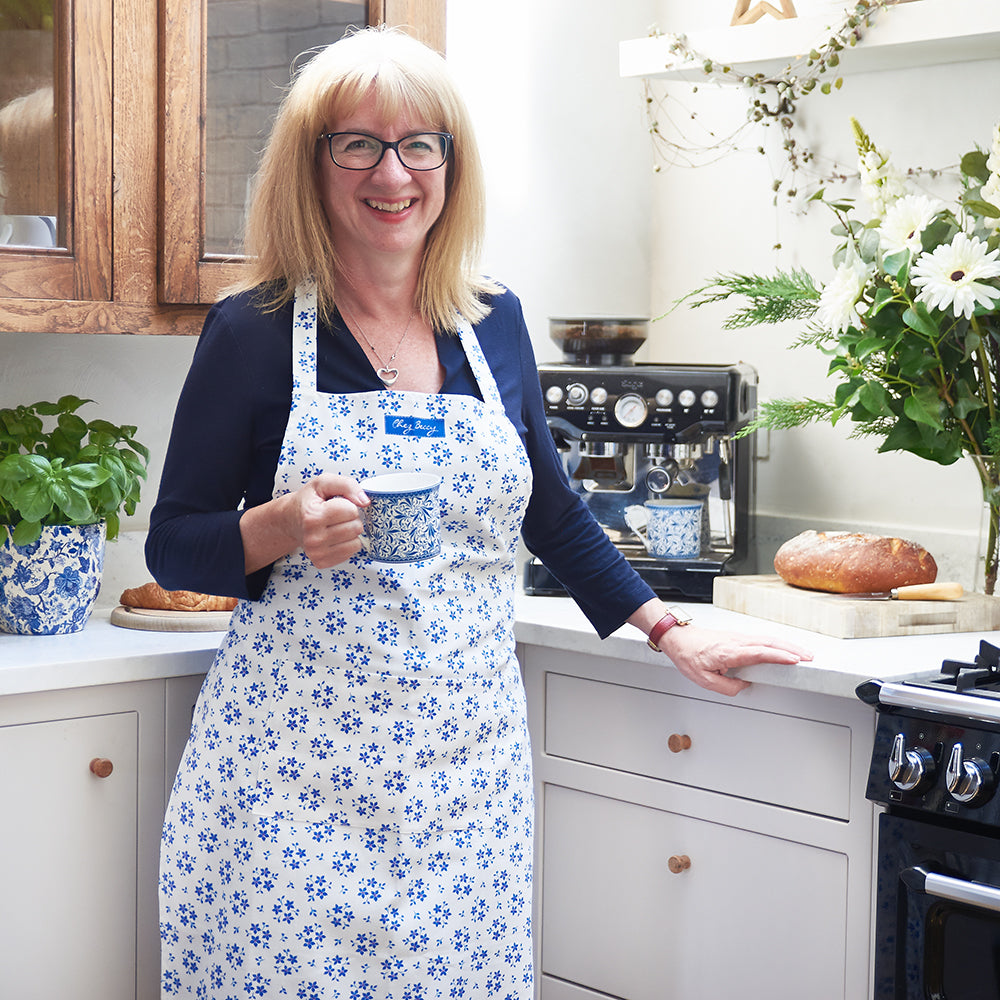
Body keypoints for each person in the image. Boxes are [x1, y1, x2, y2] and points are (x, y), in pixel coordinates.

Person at [147, 26, 812, 999]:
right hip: (291, 780)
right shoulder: (251, 331)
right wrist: (279, 526)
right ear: (312, 162)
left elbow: (549, 505)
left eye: (422, 144)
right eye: (359, 144)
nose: (394, 171)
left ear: (450, 165)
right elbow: (176, 541)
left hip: (466, 782)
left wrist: (669, 627)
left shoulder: (489, 316)